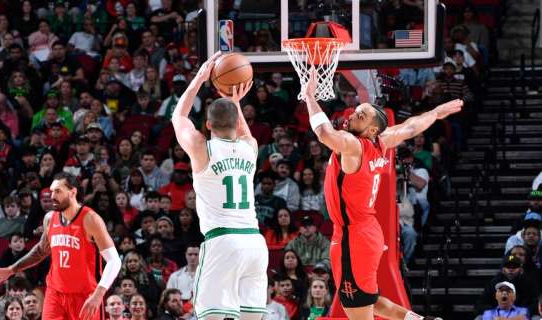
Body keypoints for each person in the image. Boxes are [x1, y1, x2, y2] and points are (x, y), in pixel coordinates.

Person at [303, 68, 463, 320]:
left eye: (361, 115)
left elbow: (323, 134)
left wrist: (310, 97)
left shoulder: (354, 145)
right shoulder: (382, 142)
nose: (354, 114)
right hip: (366, 232)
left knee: (357, 308)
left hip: (352, 237)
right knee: (366, 299)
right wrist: (436, 112)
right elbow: (411, 127)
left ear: (371, 130)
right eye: (357, 110)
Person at [171, 51, 268, 319]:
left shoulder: (203, 148)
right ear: (238, 121)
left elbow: (178, 117)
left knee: (209, 315)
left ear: (208, 124)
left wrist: (200, 78)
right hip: (255, 243)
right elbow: (243, 130)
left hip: (223, 241)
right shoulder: (251, 147)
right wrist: (234, 100)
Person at [0, 172, 122, 320]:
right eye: (52, 191)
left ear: (73, 192)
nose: (52, 196)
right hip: (55, 293)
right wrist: (12, 269)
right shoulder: (50, 218)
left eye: (58, 191)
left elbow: (114, 261)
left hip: (85, 295)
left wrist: (99, 294)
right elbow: (42, 250)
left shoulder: (90, 219)